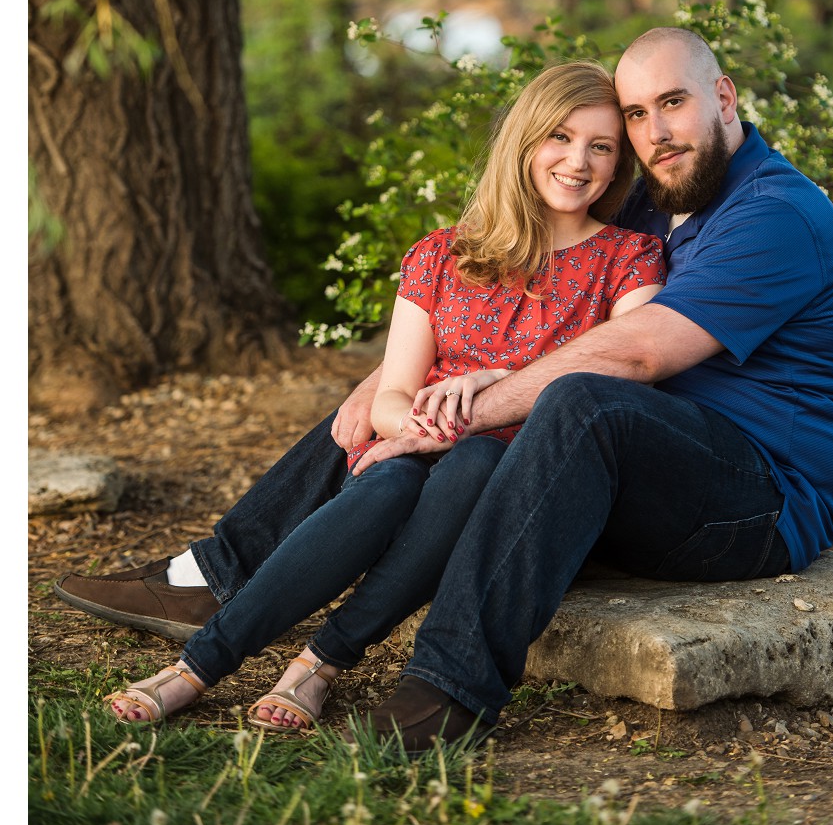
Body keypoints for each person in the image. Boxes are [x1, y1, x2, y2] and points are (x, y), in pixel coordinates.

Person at [58, 27, 833, 752]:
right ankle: (217, 574)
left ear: (723, 97)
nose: (653, 133)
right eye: (636, 114)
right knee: (396, 409)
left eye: (673, 104)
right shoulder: (668, 200)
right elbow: (541, 319)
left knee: (564, 405)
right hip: (657, 471)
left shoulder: (774, 214)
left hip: (760, 503)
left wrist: (448, 410)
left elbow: (632, 355)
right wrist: (393, 381)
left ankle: (447, 688)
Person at [95, 61, 664, 730]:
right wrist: (418, 431)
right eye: (560, 138)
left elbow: (623, 380)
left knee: (474, 464)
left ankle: (224, 665)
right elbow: (391, 396)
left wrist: (491, 389)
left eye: (601, 147)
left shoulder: (633, 259)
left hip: (524, 492)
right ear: (524, 142)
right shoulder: (443, 256)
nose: (578, 161)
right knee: (391, 481)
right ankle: (281, 666)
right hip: (420, 463)